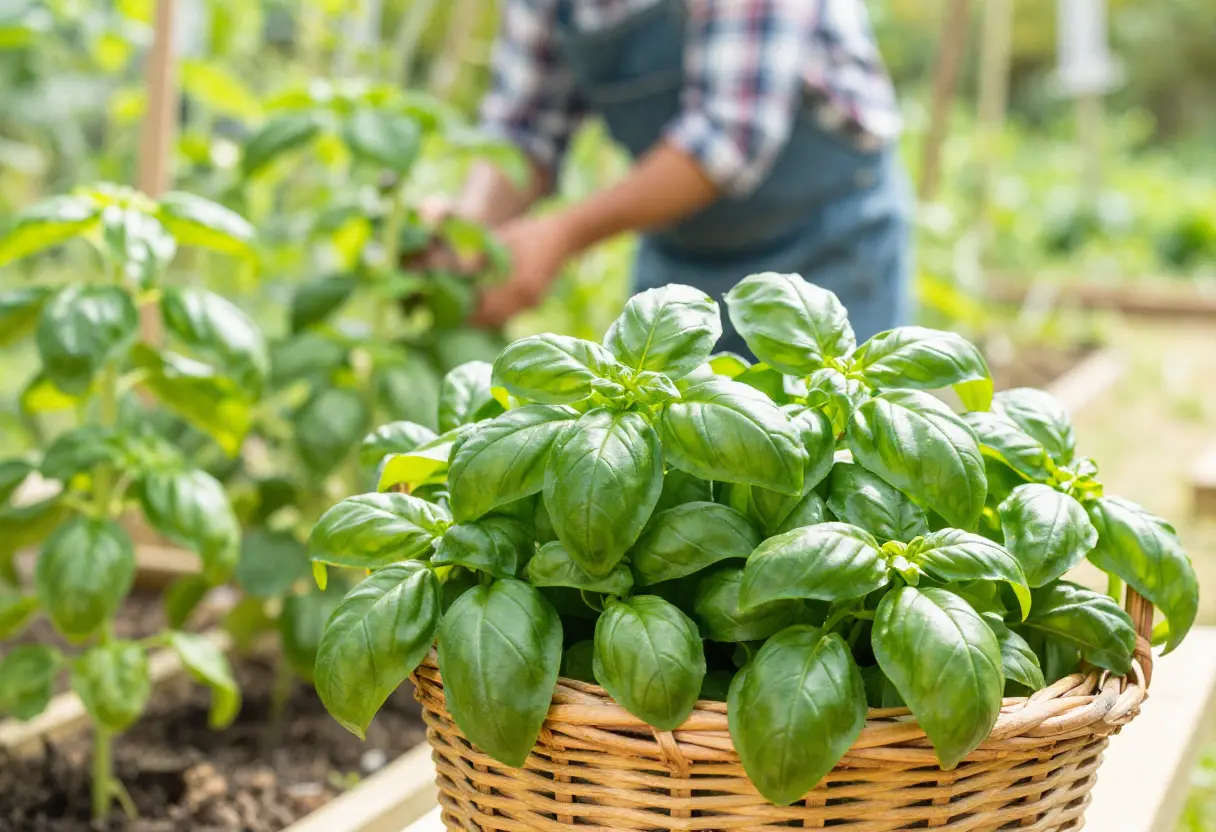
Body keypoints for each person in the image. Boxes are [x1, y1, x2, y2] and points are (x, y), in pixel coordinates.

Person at [438, 0, 911, 355]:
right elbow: (526, 126)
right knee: (674, 447)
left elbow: (729, 134)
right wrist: (468, 228)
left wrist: (559, 235)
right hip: (681, 258)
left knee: (831, 439)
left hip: (826, 248)